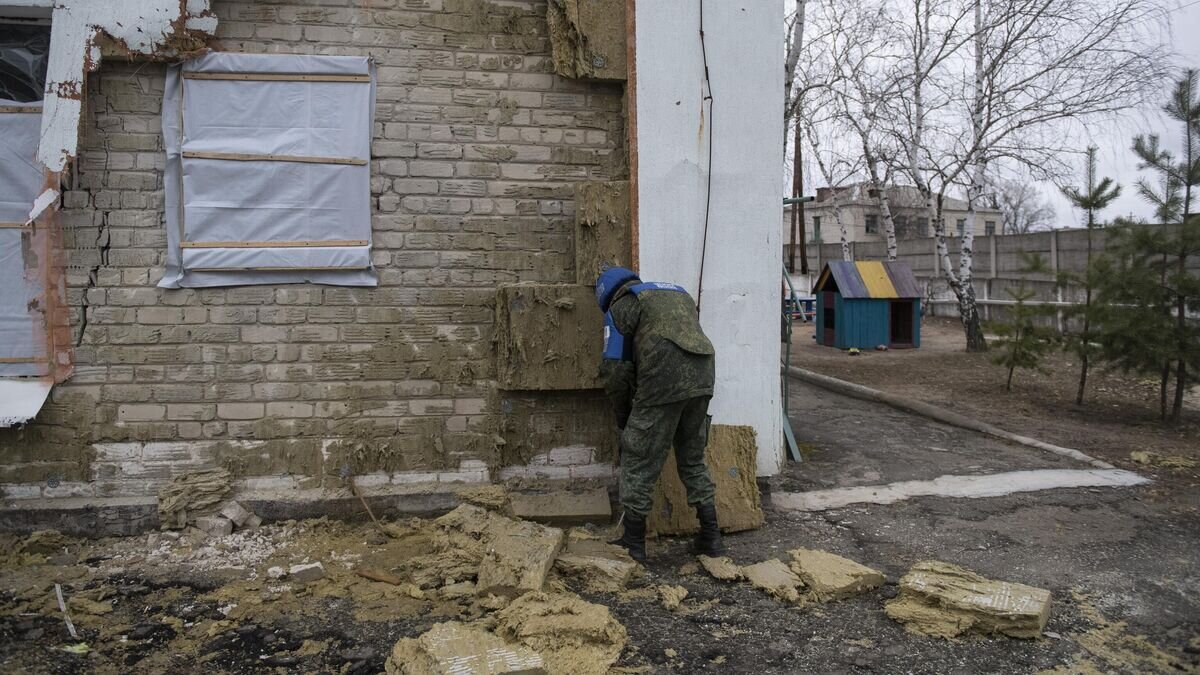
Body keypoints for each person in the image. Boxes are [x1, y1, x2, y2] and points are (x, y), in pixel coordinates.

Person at [595, 266, 725, 562]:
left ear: (605, 295)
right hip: (704, 376)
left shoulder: (622, 305)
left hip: (663, 379)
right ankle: (711, 537)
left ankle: (633, 543)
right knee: (692, 458)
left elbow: (614, 370)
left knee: (638, 457)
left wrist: (623, 416)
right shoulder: (676, 294)